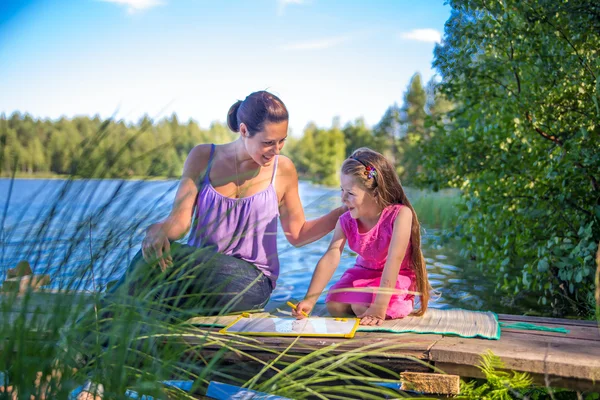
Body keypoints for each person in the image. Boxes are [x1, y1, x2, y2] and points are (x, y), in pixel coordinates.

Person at [69, 90, 346, 399]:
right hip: (197, 274)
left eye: (282, 141)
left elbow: (297, 233)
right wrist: (159, 231)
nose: (276, 149)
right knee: (150, 271)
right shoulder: (203, 156)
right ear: (243, 131)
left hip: (249, 281)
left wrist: (340, 213)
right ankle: (100, 375)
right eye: (268, 142)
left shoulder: (283, 169)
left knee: (143, 288)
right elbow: (180, 221)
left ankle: (78, 353)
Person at [292, 148, 430, 326]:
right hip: (363, 274)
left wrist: (379, 306)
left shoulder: (400, 215)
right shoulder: (346, 220)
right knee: (334, 304)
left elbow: (394, 260)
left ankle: (381, 303)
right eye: (342, 190)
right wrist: (310, 299)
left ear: (374, 193)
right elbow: (332, 255)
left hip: (393, 276)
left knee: (365, 306)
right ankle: (362, 304)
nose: (343, 198)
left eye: (350, 193)